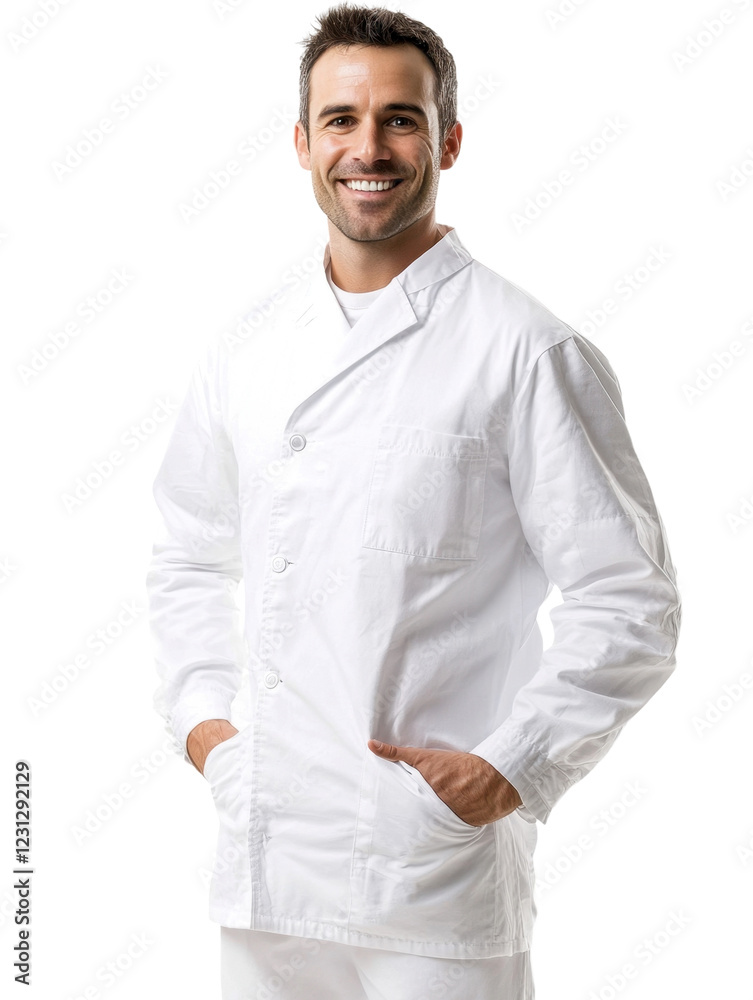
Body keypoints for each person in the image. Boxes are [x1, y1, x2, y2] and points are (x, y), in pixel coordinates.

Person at [145, 5, 682, 998]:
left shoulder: (526, 350)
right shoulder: (246, 351)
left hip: (430, 877)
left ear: (450, 140)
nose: (369, 148)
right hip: (266, 863)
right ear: (302, 144)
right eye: (340, 120)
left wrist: (509, 768)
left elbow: (629, 600)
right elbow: (187, 551)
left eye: (401, 119)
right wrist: (203, 726)